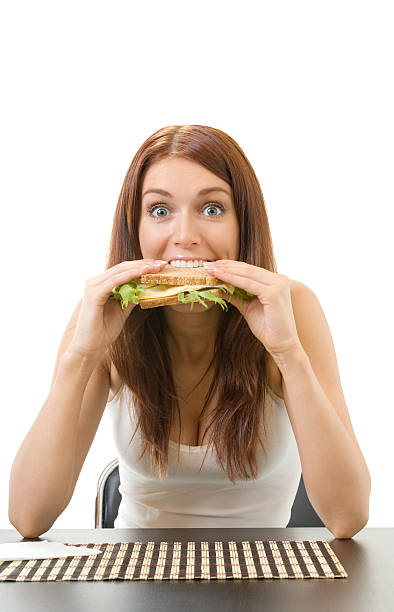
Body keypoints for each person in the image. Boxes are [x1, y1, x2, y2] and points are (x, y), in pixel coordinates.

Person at [8, 125, 371, 538]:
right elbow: (28, 516)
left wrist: (288, 352)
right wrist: (80, 358)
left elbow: (347, 517)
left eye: (212, 209)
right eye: (160, 211)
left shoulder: (292, 306)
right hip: (136, 578)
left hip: (260, 578)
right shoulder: (103, 311)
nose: (184, 237)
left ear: (244, 224)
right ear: (136, 228)